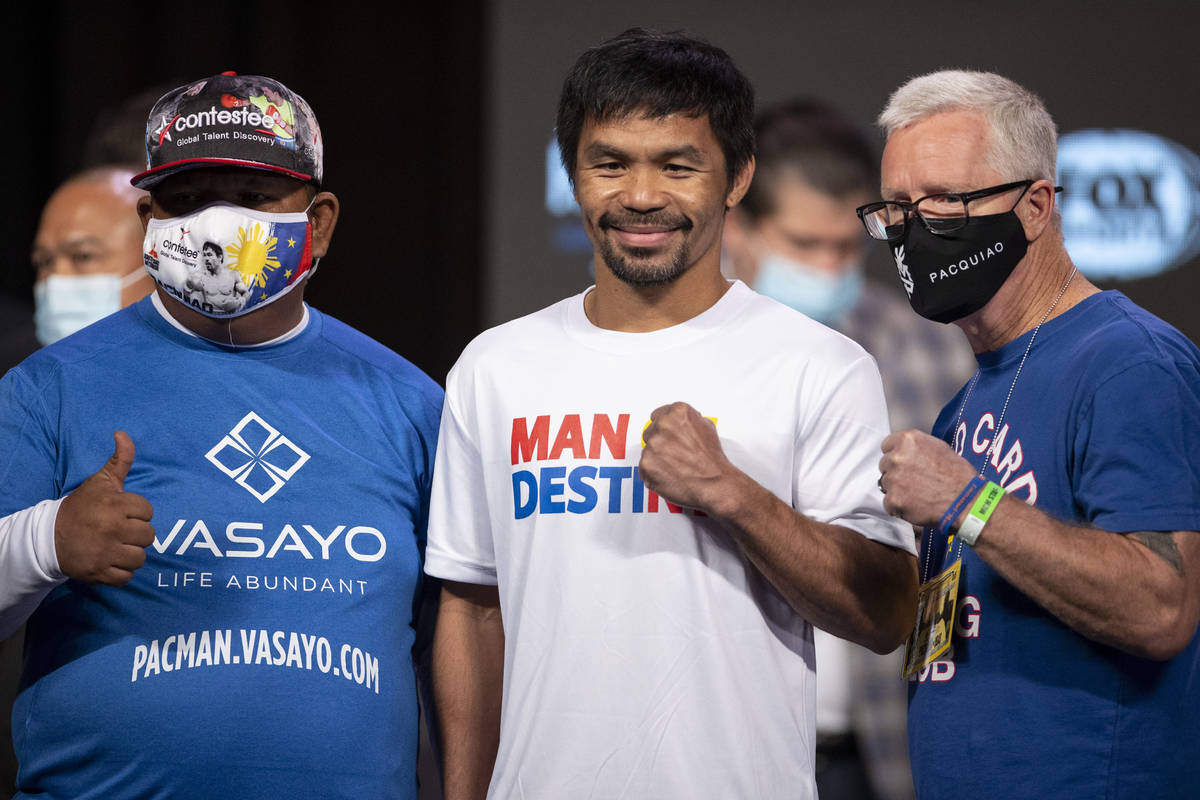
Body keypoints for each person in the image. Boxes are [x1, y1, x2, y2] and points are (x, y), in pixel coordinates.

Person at [426, 28, 918, 800]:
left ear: (736, 177)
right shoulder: (495, 368)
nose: (642, 195)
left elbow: (886, 614)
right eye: (610, 162)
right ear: (574, 173)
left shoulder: (819, 367)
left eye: (678, 165)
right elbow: (472, 606)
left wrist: (736, 496)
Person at [0, 72, 442, 799]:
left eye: (253, 199)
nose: (214, 224)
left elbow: (456, 637)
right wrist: (49, 539)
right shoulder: (51, 387)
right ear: (149, 217)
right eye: (186, 201)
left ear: (320, 220)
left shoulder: (409, 403)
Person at [863, 70, 1200, 799]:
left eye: (945, 202)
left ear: (1036, 206)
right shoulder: (968, 397)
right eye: (895, 208)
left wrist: (968, 502)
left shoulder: (1126, 363)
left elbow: (1162, 607)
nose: (913, 230)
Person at [723, 99, 974, 800]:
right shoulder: (671, 345)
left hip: (883, 743)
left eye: (845, 247)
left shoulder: (930, 349)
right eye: (805, 246)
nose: (830, 266)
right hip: (723, 734)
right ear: (738, 223)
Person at [29, 166, 155, 346]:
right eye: (44, 261)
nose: (56, 278)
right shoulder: (19, 371)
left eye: (83, 256)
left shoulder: (200, 370)